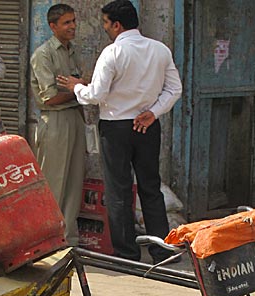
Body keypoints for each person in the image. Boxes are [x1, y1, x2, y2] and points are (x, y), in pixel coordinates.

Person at [57, 0, 181, 264]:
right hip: (147, 125)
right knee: (150, 187)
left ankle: (127, 254)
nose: (104, 28)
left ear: (116, 24)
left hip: (116, 127)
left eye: (104, 23)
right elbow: (174, 89)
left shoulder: (112, 53)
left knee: (119, 190)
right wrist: (154, 112)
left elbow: (96, 94)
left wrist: (77, 87)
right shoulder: (159, 50)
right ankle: (161, 251)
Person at [30, 4, 86, 247]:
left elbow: (82, 85)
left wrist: (79, 87)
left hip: (75, 118)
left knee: (74, 180)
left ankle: (67, 238)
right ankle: (46, 238)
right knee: (54, 181)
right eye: (66, 23)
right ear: (52, 27)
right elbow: (49, 98)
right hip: (54, 121)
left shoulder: (73, 52)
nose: (72, 26)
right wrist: (79, 88)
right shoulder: (43, 55)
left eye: (73, 21)